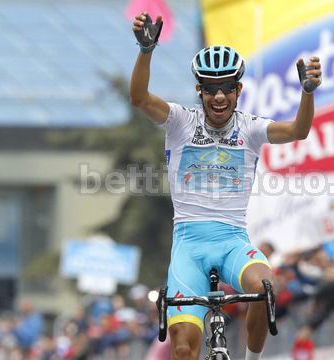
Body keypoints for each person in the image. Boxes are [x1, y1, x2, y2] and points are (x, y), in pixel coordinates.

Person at [130, 12, 322, 360]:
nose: (219, 98)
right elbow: (140, 99)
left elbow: (298, 131)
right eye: (211, 89)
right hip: (189, 247)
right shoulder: (180, 121)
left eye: (226, 89)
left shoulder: (250, 129)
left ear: (238, 90)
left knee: (265, 288)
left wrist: (307, 92)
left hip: (232, 240)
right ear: (199, 91)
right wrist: (146, 51)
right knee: (185, 348)